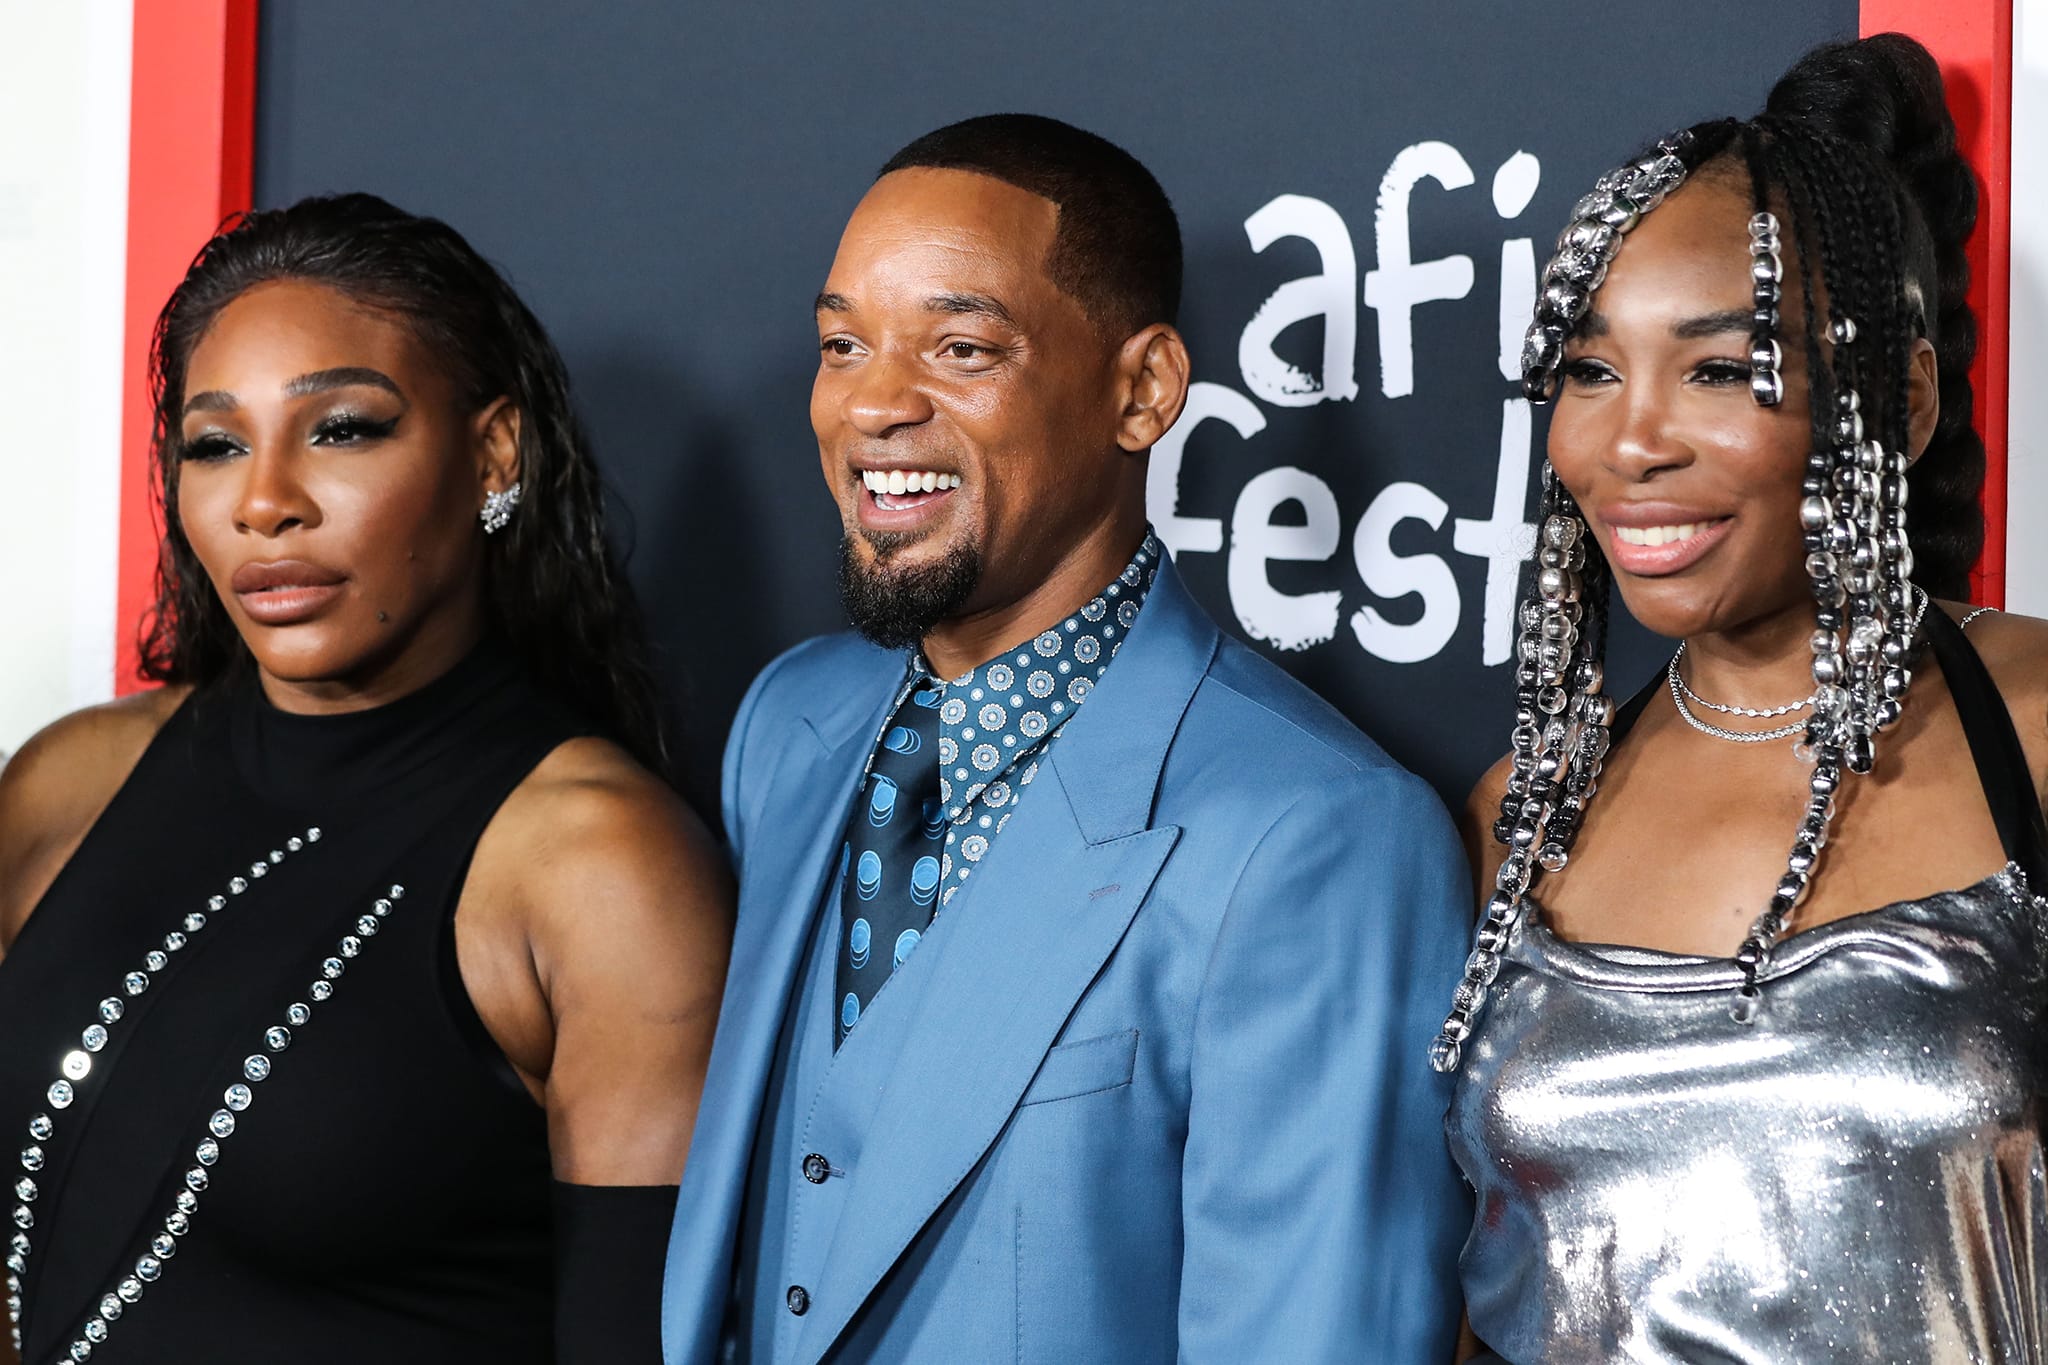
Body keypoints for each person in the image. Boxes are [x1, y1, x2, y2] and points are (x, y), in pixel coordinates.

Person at [658, 113, 1472, 1364]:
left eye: (961, 345)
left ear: (1140, 391)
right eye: (840, 344)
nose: (873, 402)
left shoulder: (1317, 837)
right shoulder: (788, 728)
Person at [0, 194, 733, 1364]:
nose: (265, 501)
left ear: (494, 454)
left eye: (340, 429)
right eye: (215, 443)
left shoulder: (598, 869)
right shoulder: (68, 784)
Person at [1438, 35, 2048, 1364]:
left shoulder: (2037, 729)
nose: (1632, 438)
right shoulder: (1522, 813)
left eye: (1720, 368)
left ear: (1905, 399)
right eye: (1591, 369)